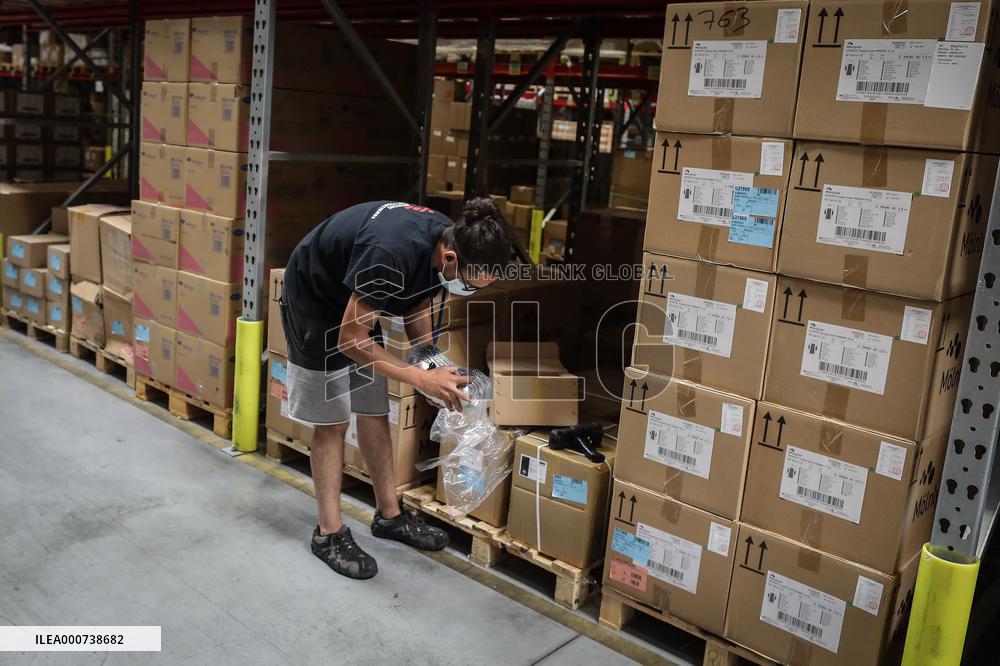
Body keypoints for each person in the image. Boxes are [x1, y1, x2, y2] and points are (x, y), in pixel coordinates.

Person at [281, 197, 511, 579]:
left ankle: (390, 516)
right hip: (316, 300)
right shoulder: (389, 253)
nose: (467, 290)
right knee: (334, 421)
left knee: (373, 408)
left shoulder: (443, 237)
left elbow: (415, 299)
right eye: (470, 284)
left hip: (357, 301)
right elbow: (349, 340)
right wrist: (419, 378)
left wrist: (428, 360)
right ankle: (329, 533)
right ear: (452, 258)